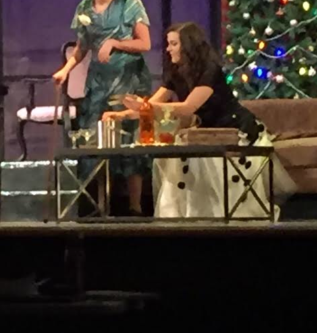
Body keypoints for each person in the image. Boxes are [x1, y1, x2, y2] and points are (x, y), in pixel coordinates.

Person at [103, 21, 295, 218]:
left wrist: (147, 107)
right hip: (203, 135)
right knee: (179, 155)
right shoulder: (175, 73)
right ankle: (184, 219)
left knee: (199, 160)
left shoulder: (209, 71)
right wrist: (121, 114)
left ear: (188, 46)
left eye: (173, 44)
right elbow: (150, 106)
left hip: (233, 132)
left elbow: (188, 108)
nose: (168, 49)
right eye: (168, 44)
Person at [53, 0, 153, 216]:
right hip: (98, 80)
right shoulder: (84, 8)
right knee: (93, 138)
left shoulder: (129, 4)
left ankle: (135, 206)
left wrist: (115, 43)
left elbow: (145, 43)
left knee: (128, 138)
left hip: (128, 79)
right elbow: (82, 47)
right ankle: (98, 204)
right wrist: (66, 69)